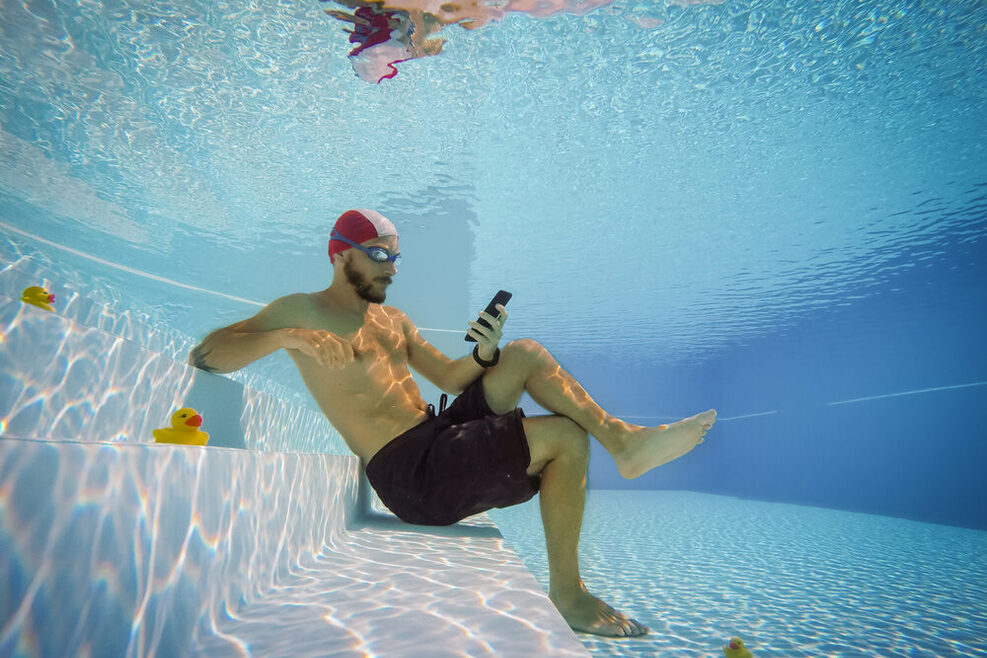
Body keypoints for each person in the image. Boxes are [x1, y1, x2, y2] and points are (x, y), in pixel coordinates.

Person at [189, 208, 716, 638]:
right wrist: (287, 338)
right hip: (410, 475)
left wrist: (485, 353)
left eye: (396, 257)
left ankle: (623, 443)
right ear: (339, 253)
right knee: (564, 439)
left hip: (437, 436)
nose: (392, 268)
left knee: (523, 352)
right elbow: (207, 354)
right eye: (379, 256)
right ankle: (568, 595)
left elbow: (446, 375)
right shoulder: (299, 310)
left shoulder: (394, 321)